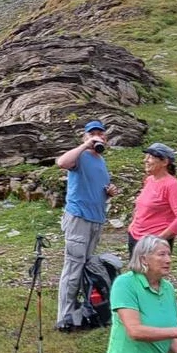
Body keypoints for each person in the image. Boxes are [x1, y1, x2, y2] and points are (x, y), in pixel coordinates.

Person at [54, 120, 118, 332]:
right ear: (85, 136)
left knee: (86, 267)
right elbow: (61, 163)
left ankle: (82, 312)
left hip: (96, 220)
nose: (98, 136)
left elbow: (95, 188)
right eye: (93, 133)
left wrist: (108, 192)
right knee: (73, 266)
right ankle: (64, 318)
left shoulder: (101, 161)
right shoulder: (80, 155)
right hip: (79, 218)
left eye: (101, 133)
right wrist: (85, 145)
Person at [128, 143, 177, 256]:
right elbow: (141, 206)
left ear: (165, 162)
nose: (145, 160)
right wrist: (132, 225)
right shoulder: (149, 180)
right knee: (136, 273)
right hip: (135, 237)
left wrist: (159, 239)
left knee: (149, 274)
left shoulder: (171, 185)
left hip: (153, 243)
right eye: (146, 156)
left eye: (151, 157)